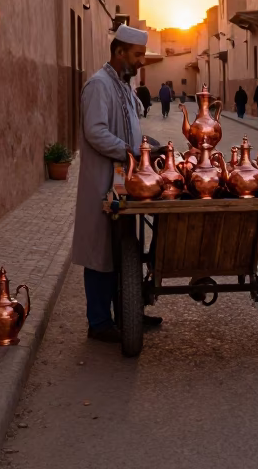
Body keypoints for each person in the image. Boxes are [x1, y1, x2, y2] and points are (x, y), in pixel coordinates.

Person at [74, 23, 161, 343]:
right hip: (102, 183)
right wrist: (130, 152)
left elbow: (129, 129)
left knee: (125, 249)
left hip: (125, 183)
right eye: (137, 55)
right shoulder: (98, 86)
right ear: (119, 51)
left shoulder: (123, 86)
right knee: (101, 253)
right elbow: (95, 132)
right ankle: (99, 323)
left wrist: (149, 146)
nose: (141, 61)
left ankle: (129, 313)